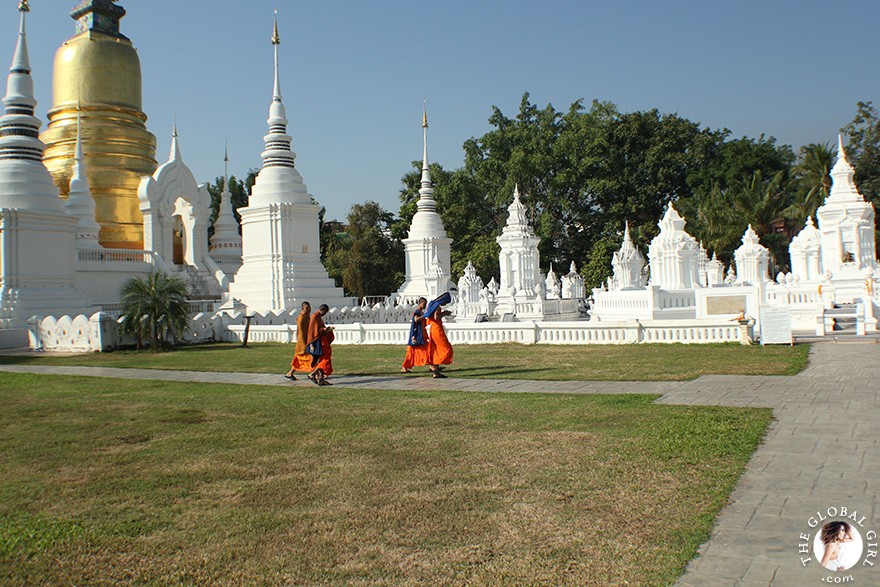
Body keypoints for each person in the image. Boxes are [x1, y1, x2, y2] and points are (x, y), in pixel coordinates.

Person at [424, 292, 453, 378]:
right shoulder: (437, 306)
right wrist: (445, 313)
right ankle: (435, 367)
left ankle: (435, 368)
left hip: (434, 329)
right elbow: (436, 317)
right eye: (446, 302)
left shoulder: (432, 304)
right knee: (447, 349)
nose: (445, 304)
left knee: (436, 349)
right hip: (437, 329)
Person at [306, 304, 334, 386]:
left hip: (321, 340)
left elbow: (319, 329)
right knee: (325, 359)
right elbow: (312, 331)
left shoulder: (318, 317)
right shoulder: (314, 317)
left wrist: (327, 329)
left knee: (323, 359)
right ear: (322, 310)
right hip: (317, 341)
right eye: (324, 312)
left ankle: (320, 379)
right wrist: (311, 344)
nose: (324, 314)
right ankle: (312, 374)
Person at [285, 301, 312, 380]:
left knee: (298, 359)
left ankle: (290, 373)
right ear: (302, 308)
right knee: (310, 358)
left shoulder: (306, 317)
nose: (309, 309)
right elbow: (301, 332)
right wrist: (304, 343)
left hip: (306, 340)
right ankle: (315, 373)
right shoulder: (301, 318)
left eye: (309, 308)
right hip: (303, 341)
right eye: (307, 308)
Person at [401, 297, 429, 373]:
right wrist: (425, 316)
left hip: (420, 335)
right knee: (411, 352)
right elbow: (416, 319)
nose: (424, 306)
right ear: (419, 303)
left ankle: (432, 365)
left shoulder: (421, 312)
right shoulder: (417, 312)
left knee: (425, 350)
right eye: (424, 304)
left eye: (425, 304)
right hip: (416, 335)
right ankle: (404, 367)